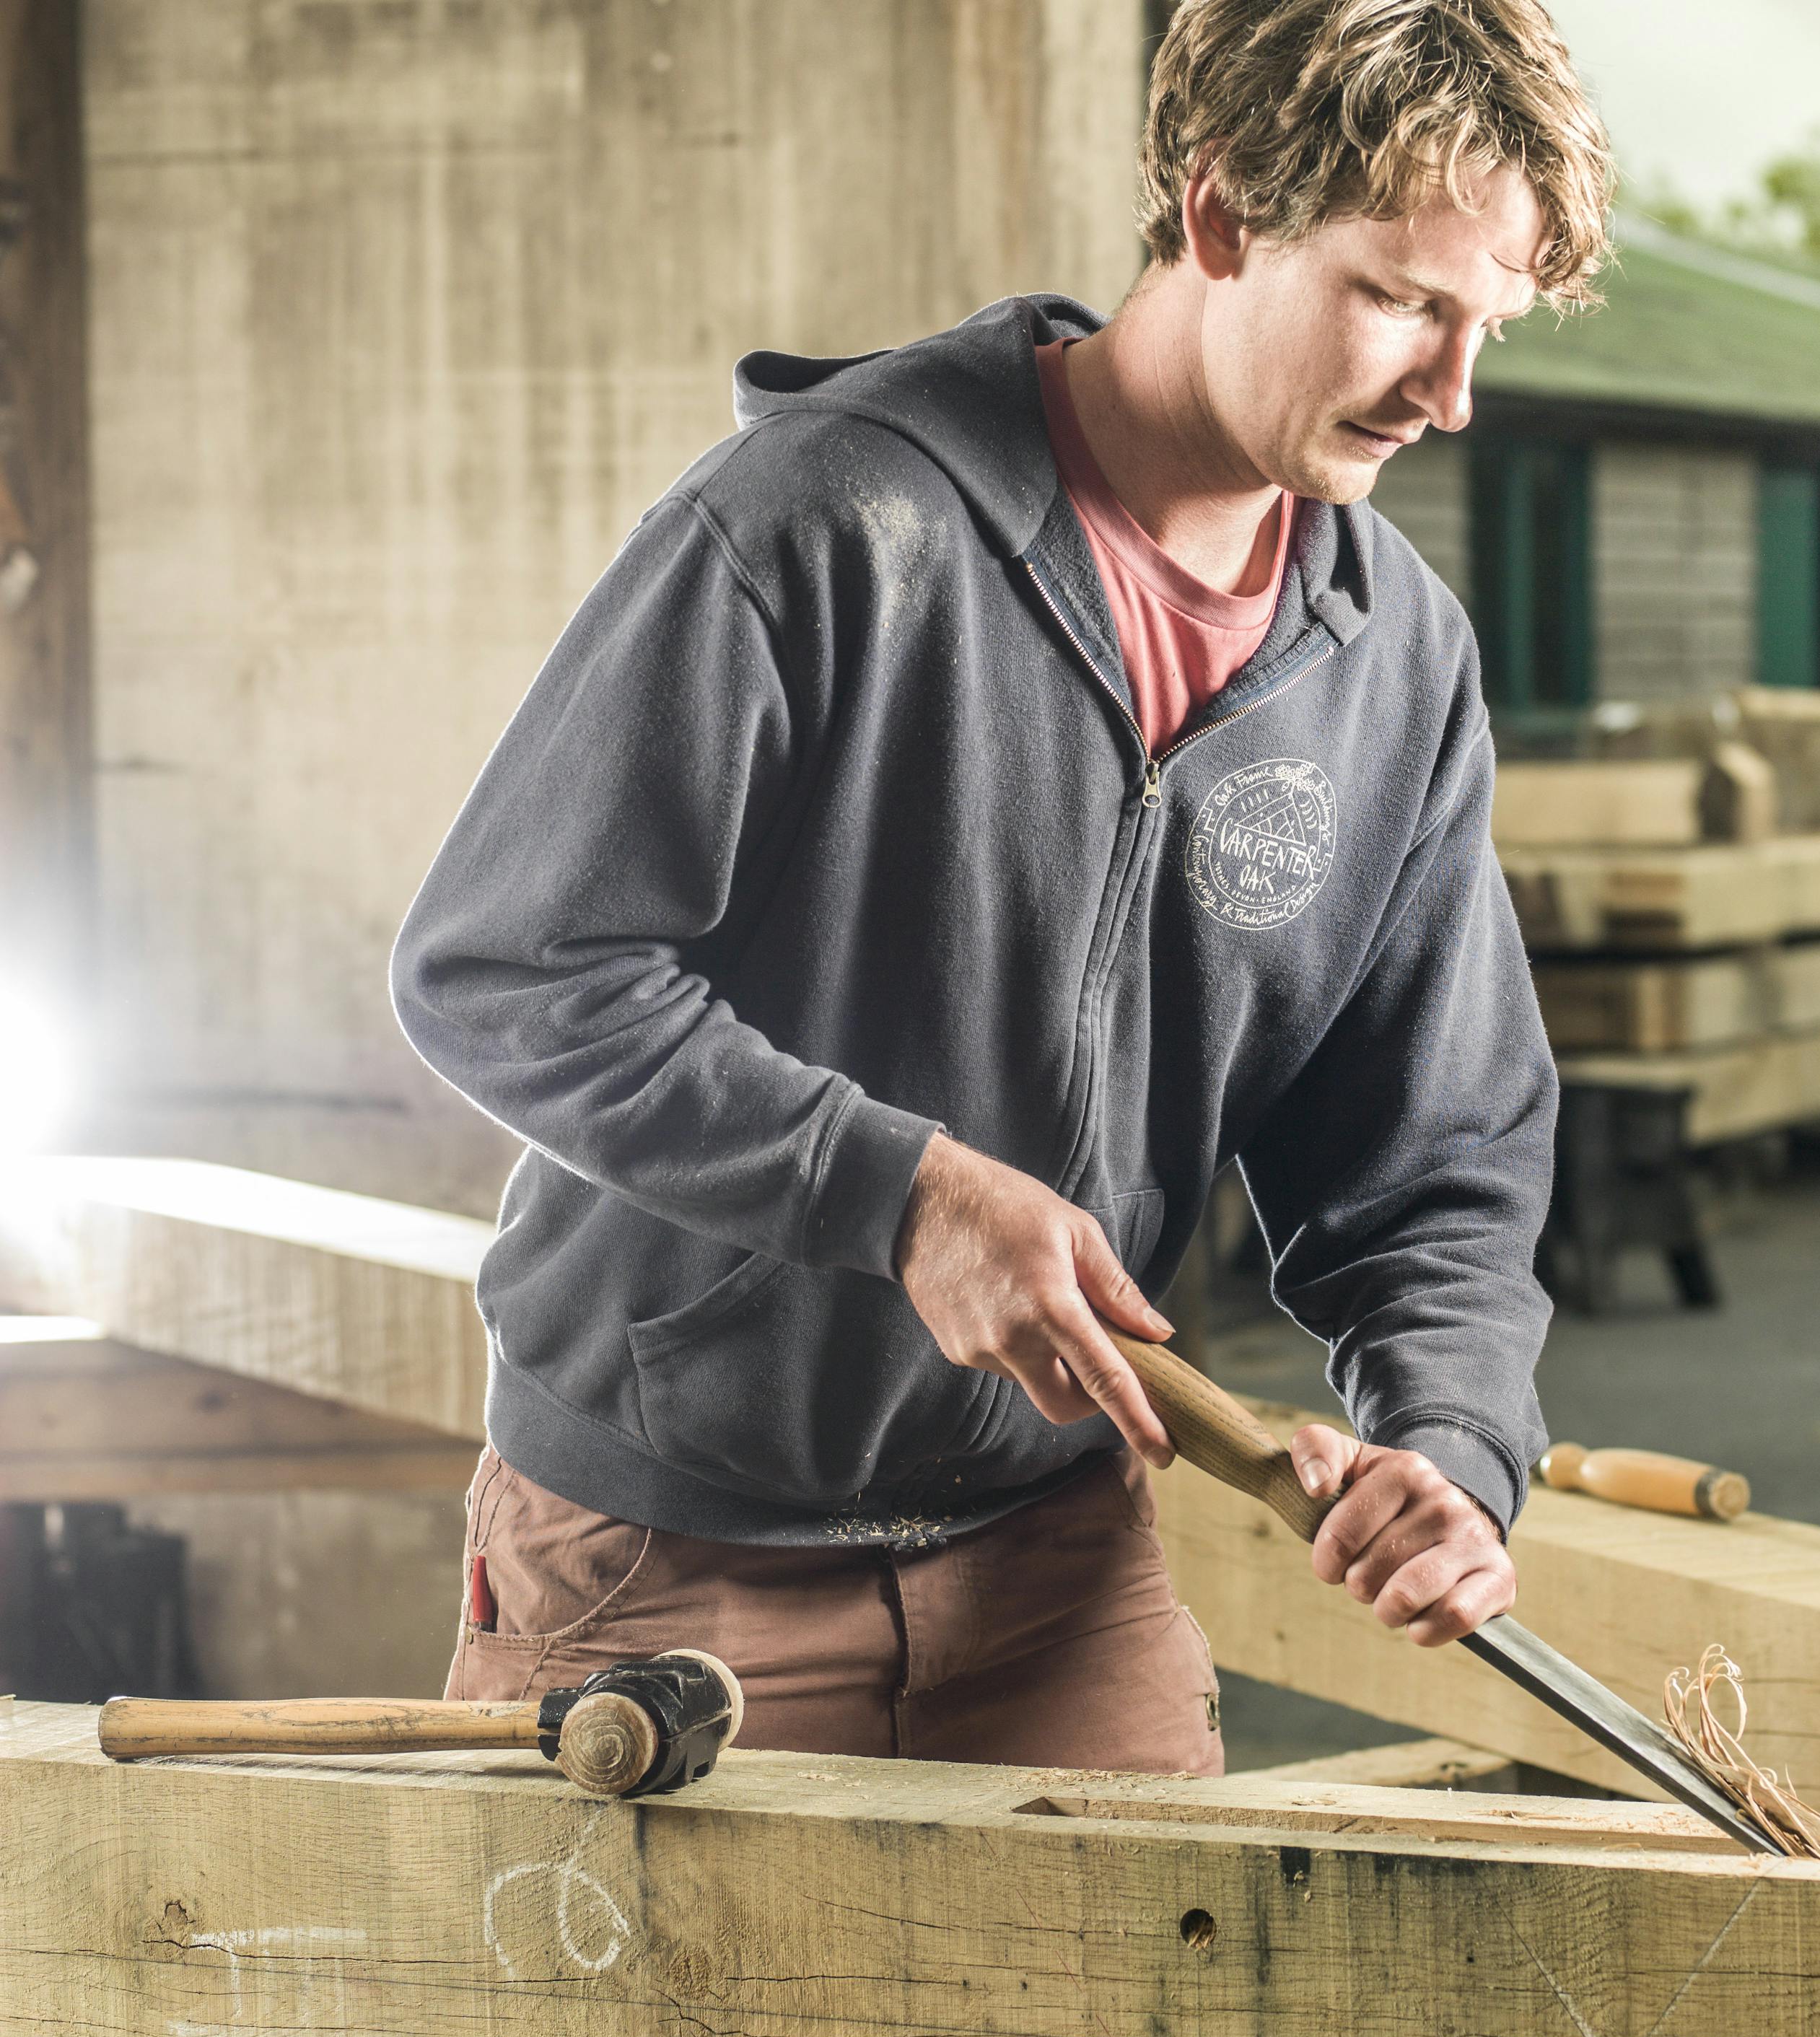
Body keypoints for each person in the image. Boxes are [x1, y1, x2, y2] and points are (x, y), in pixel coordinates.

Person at [389, 0, 1614, 1770]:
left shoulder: (1396, 663)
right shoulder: (826, 523)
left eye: (1486, 324)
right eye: (1404, 301)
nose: (1453, 395)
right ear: (1223, 211)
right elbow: (508, 967)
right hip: (665, 1556)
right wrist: (905, 1199)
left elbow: (1436, 1162)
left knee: (1172, 1963)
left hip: (1056, 1561)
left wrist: (1451, 1439)